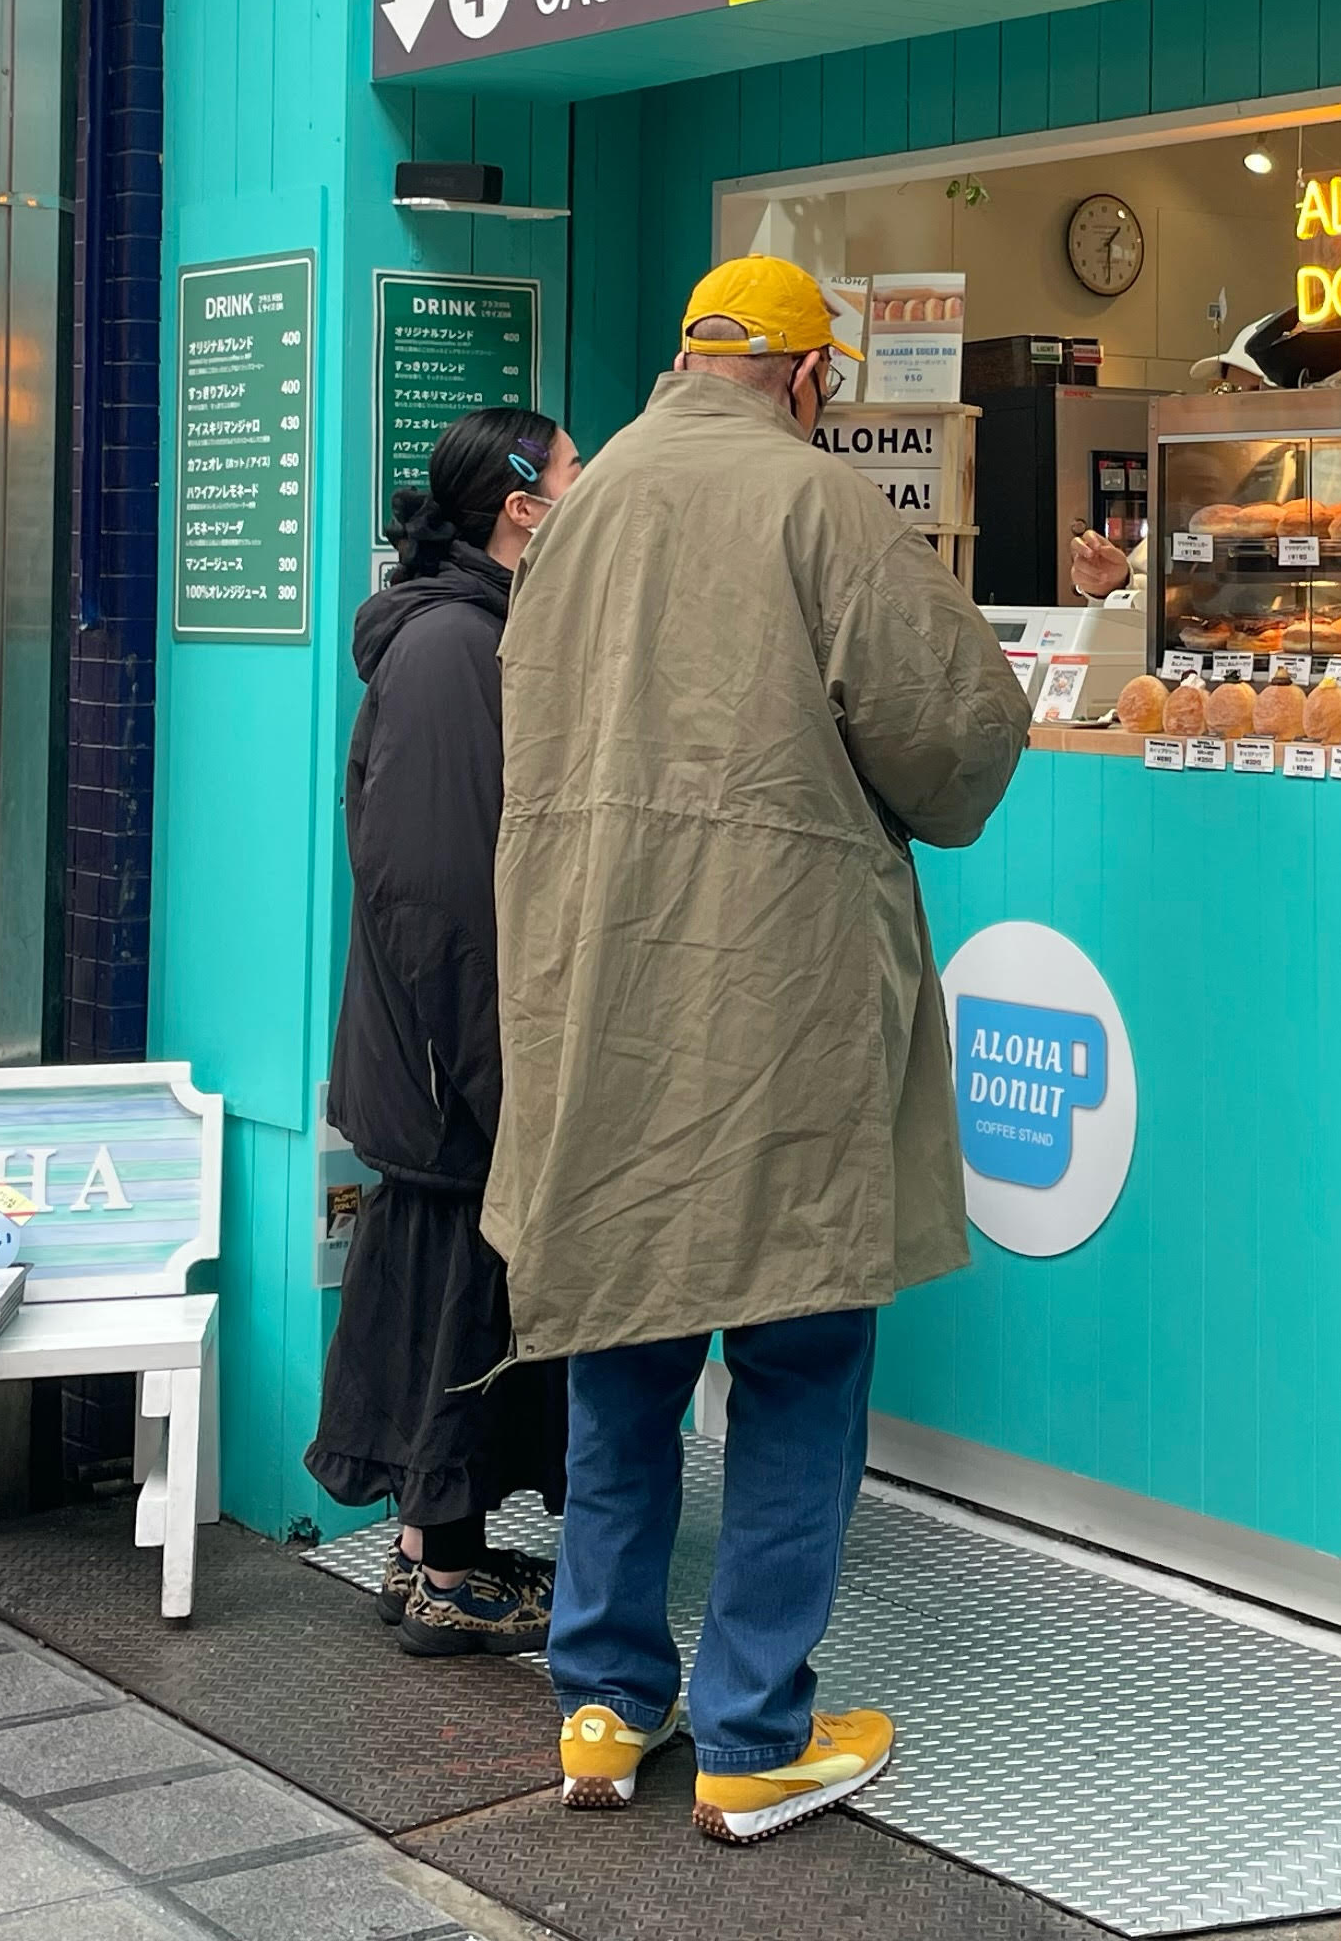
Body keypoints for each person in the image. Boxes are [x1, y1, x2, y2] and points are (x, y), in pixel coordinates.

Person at [489, 256, 1030, 1842]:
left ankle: (600, 1705)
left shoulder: (573, 513)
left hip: (596, 998)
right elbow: (955, 746)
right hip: (772, 1008)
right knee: (797, 1362)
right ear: (807, 382)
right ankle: (751, 1736)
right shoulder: (820, 508)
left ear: (686, 362)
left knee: (623, 1337)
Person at [306, 405, 580, 1657]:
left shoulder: (471, 635)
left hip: (442, 1055)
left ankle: (434, 1552)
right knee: (457, 1298)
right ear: (522, 507)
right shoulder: (455, 652)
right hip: (445, 1061)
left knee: (455, 1297)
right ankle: (441, 1568)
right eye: (572, 470)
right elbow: (442, 891)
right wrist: (493, 1070)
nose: (585, 488)